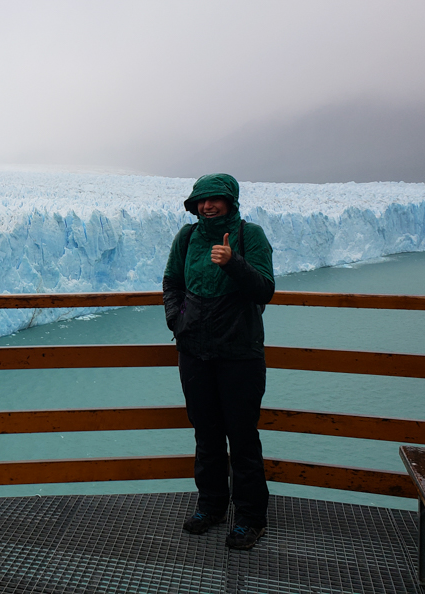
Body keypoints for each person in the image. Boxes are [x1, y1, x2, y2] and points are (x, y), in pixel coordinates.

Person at [162, 173, 274, 550]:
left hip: (240, 352)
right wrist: (177, 322)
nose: (207, 206)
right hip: (195, 350)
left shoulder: (250, 235)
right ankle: (210, 506)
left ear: (230, 201)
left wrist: (233, 262)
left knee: (242, 437)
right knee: (206, 434)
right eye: (201, 201)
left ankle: (250, 518)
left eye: (214, 200)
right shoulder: (187, 237)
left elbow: (265, 289)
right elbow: (172, 282)